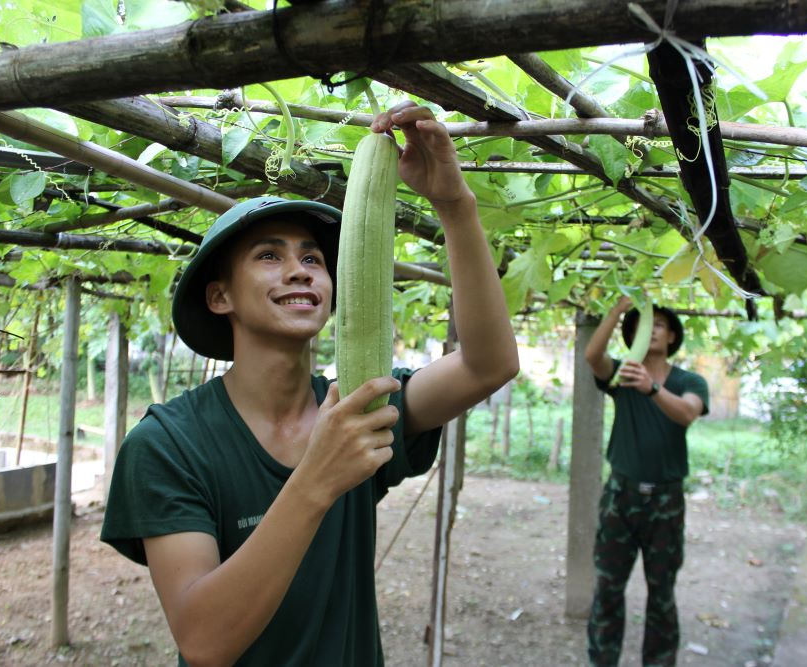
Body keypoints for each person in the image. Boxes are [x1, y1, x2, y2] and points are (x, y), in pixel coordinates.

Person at [100, 101, 519, 666]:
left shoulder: (363, 401)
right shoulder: (167, 445)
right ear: (219, 296)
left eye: (313, 258)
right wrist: (318, 476)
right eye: (268, 255)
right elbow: (203, 641)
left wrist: (454, 205)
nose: (299, 269)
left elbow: (487, 365)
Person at [583, 295, 709, 667]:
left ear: (671, 336)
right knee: (607, 589)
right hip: (620, 496)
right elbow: (593, 357)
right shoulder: (623, 373)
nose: (651, 328)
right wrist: (616, 309)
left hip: (666, 502)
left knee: (662, 593)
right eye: (642, 323)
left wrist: (652, 388)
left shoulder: (690, 381)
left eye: (658, 324)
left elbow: (687, 413)